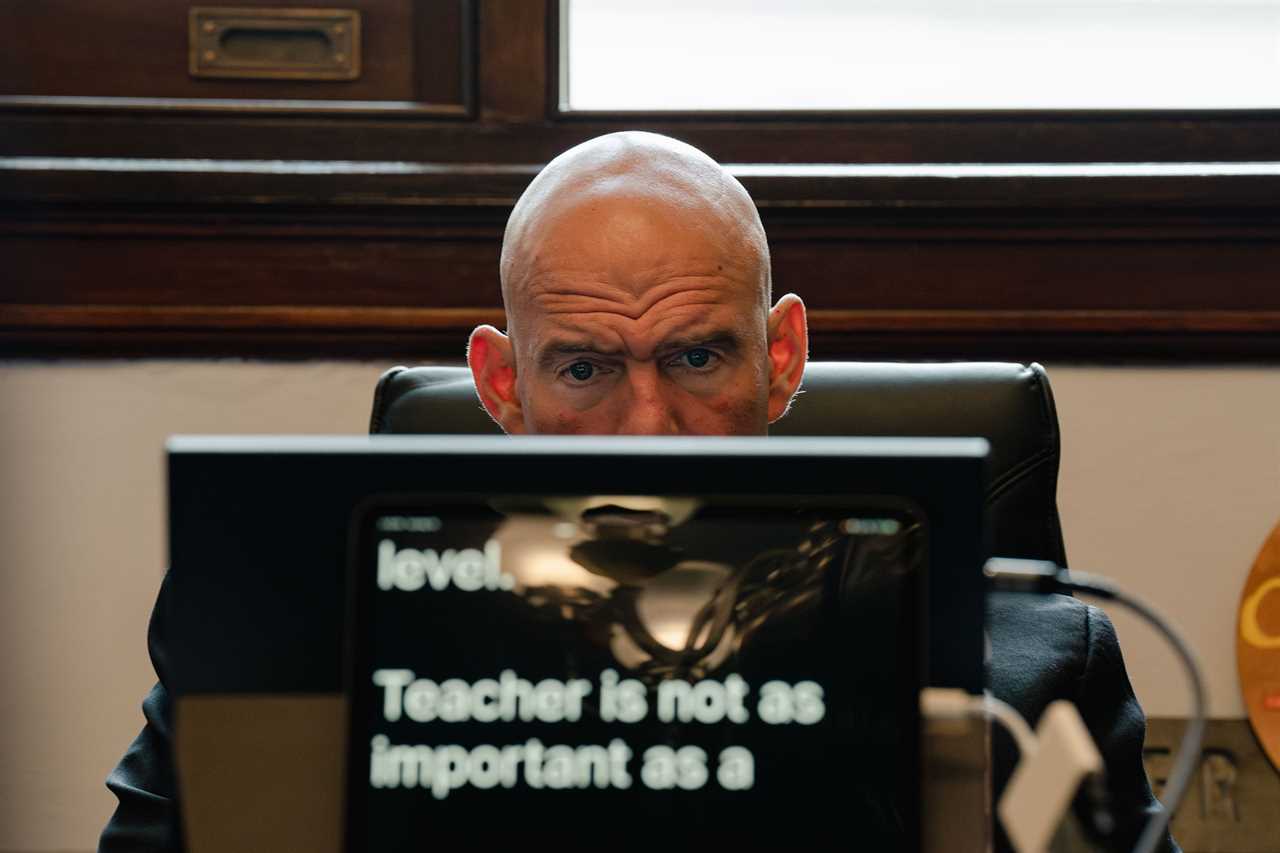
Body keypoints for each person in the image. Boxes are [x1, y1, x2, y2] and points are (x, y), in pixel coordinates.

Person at [102, 131, 1174, 851]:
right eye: (584, 369)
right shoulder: (289, 645)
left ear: (783, 355)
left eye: (699, 359)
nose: (648, 423)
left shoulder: (1030, 675)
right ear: (501, 385)